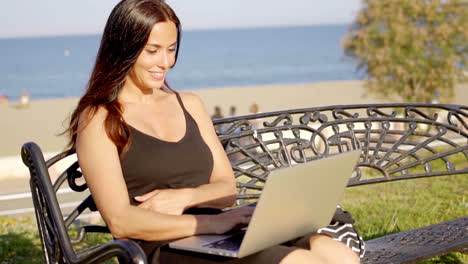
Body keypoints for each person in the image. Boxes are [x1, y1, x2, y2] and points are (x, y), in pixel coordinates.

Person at [64, 1, 360, 263]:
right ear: (124, 49)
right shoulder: (99, 118)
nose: (165, 63)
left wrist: (185, 198)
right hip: (159, 244)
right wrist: (208, 225)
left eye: (171, 50)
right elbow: (121, 222)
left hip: (219, 232)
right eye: (152, 51)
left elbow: (226, 189)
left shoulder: (189, 104)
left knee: (339, 255)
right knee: (299, 261)